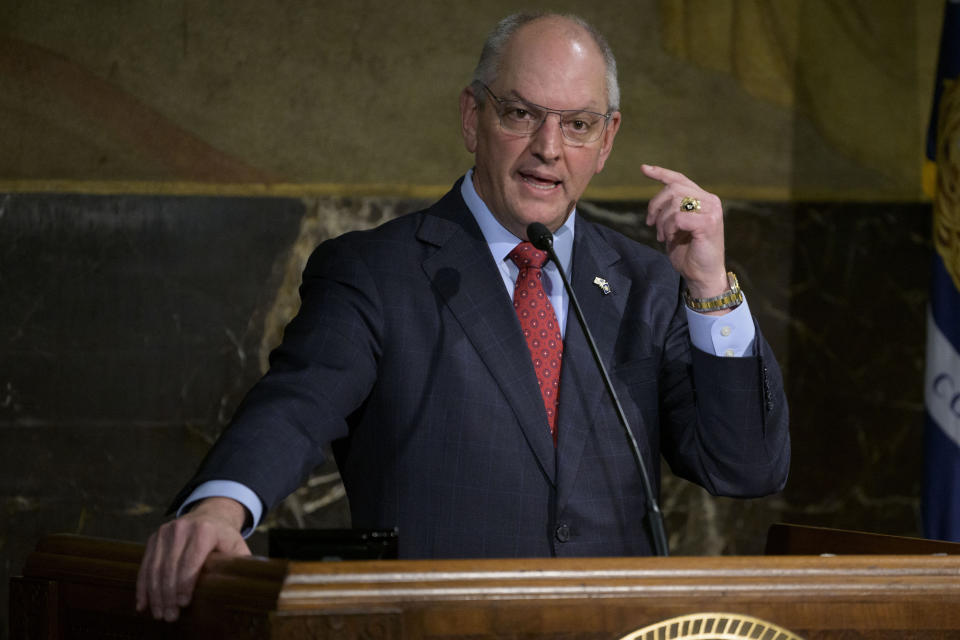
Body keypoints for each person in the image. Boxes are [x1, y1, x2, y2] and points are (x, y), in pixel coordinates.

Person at [137, 12, 790, 622]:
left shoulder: (650, 283)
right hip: (439, 627)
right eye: (521, 114)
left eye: (577, 124)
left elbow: (745, 466)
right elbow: (299, 401)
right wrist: (221, 510)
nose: (548, 148)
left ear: (608, 139)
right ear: (473, 117)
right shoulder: (377, 272)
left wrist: (710, 286)